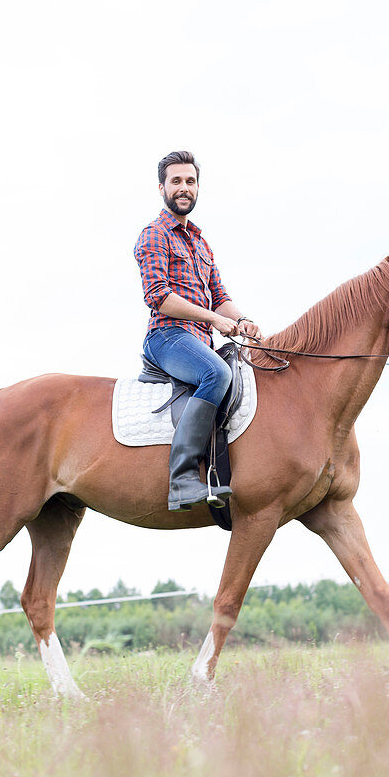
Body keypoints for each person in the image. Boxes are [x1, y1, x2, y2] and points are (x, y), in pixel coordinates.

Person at [134, 150, 262, 511]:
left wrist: (241, 320)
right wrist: (212, 320)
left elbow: (220, 297)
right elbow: (158, 296)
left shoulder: (200, 243)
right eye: (176, 181)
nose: (184, 188)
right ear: (162, 188)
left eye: (190, 181)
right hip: (168, 336)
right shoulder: (155, 235)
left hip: (200, 338)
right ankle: (182, 478)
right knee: (216, 372)